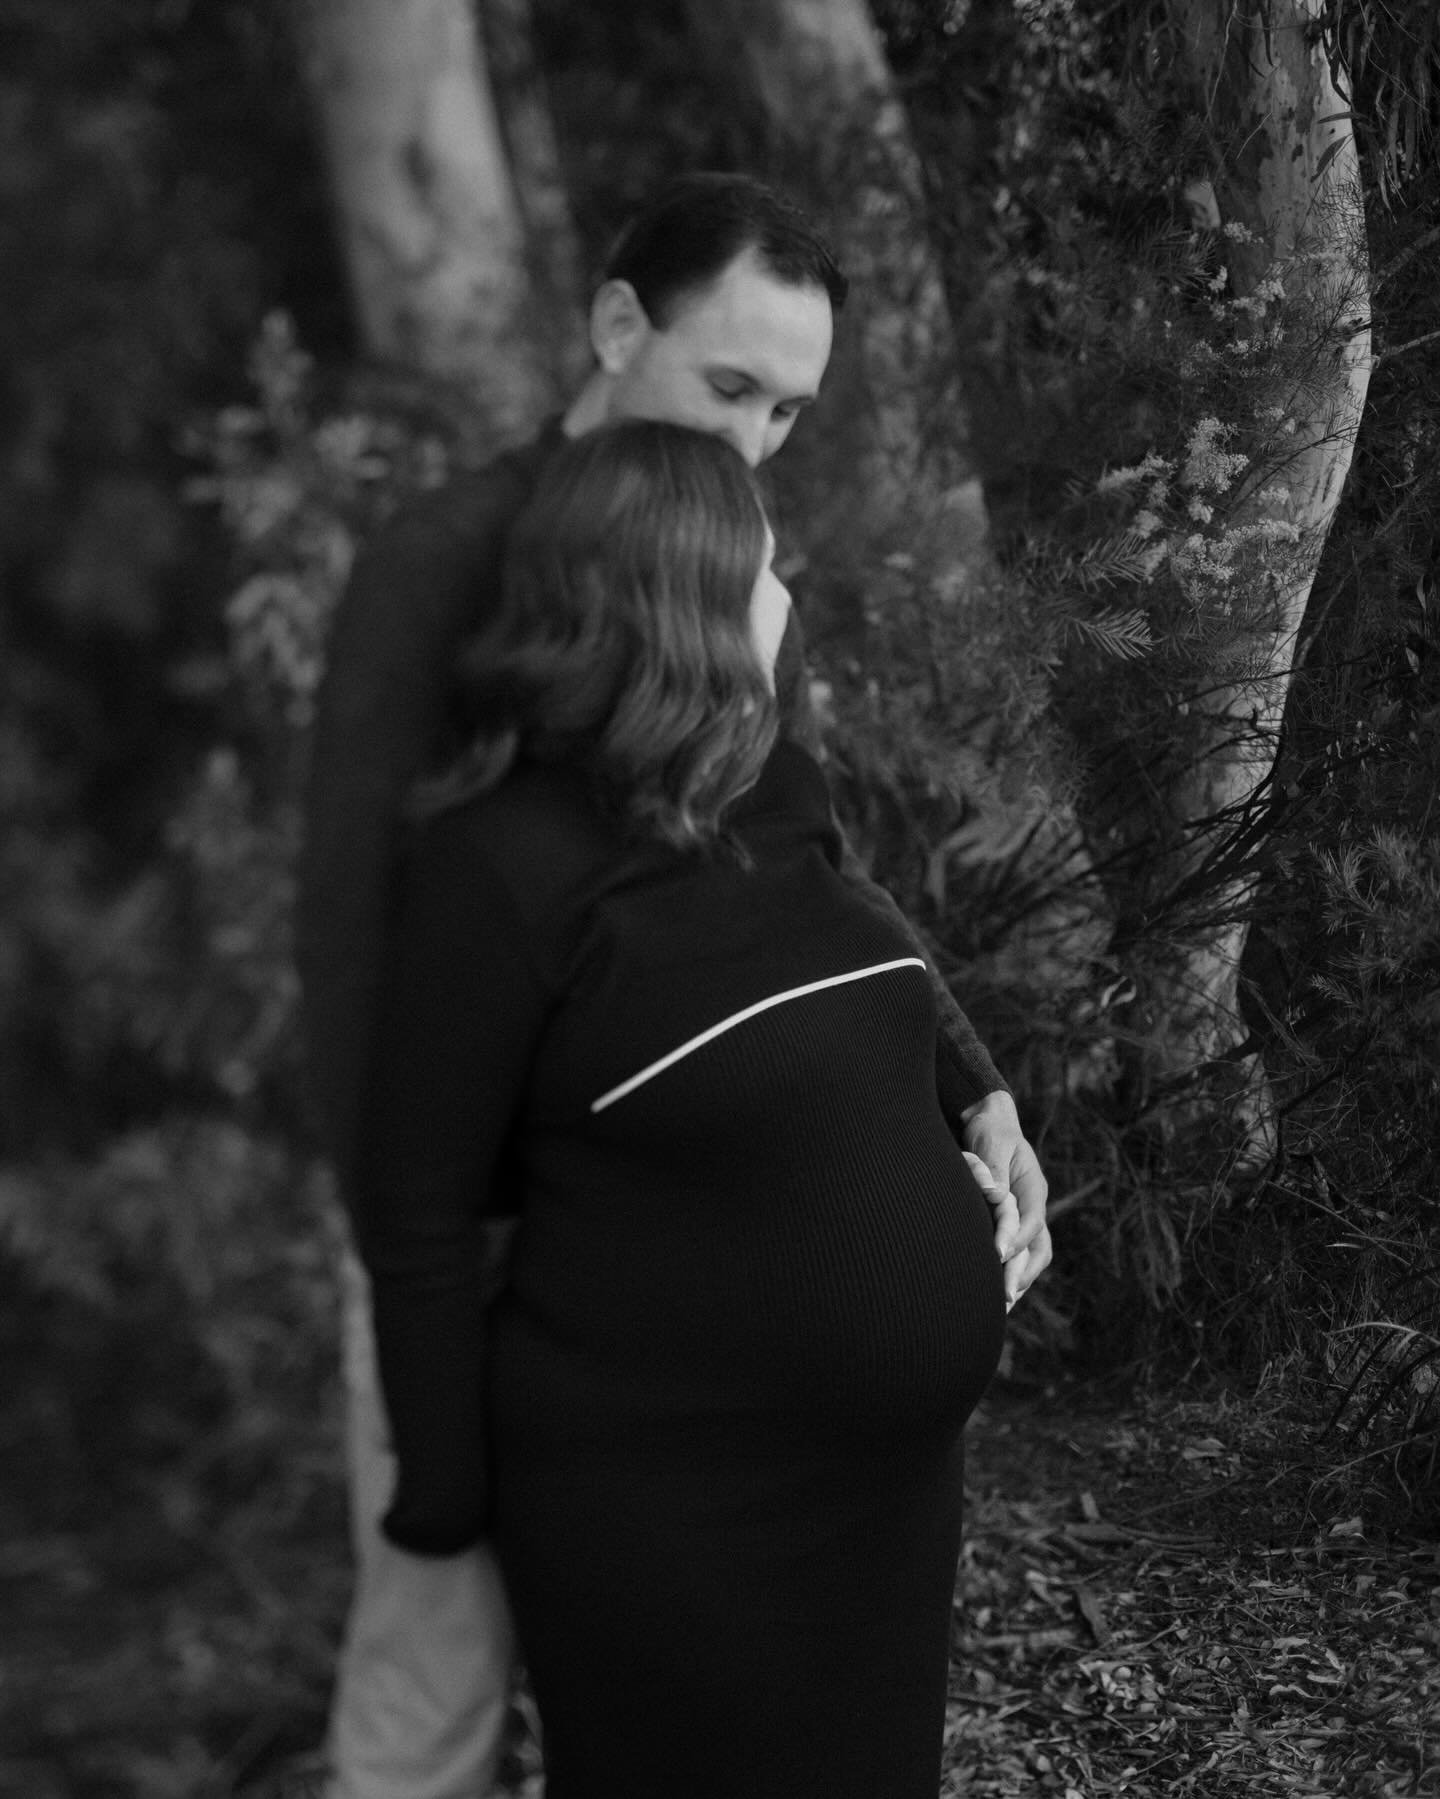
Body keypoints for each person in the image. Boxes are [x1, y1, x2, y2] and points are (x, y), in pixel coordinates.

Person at [299, 173, 1051, 1799]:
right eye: (730, 389)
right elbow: (360, 944)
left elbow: (816, 862)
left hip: (696, 1308)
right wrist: (420, 1271)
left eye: (788, 410)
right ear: (617, 322)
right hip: (473, 1238)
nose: (755, 445)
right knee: (439, 1689)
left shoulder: (729, 554)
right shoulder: (448, 564)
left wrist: (968, 1080)